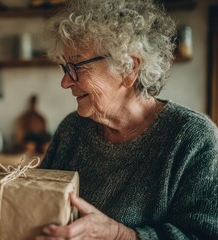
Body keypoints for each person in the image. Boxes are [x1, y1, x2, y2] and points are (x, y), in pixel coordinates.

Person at [37, 0, 218, 239]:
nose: (66, 82)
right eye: (65, 67)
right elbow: (40, 206)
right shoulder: (73, 129)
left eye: (77, 66)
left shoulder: (192, 138)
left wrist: (120, 235)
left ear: (129, 68)